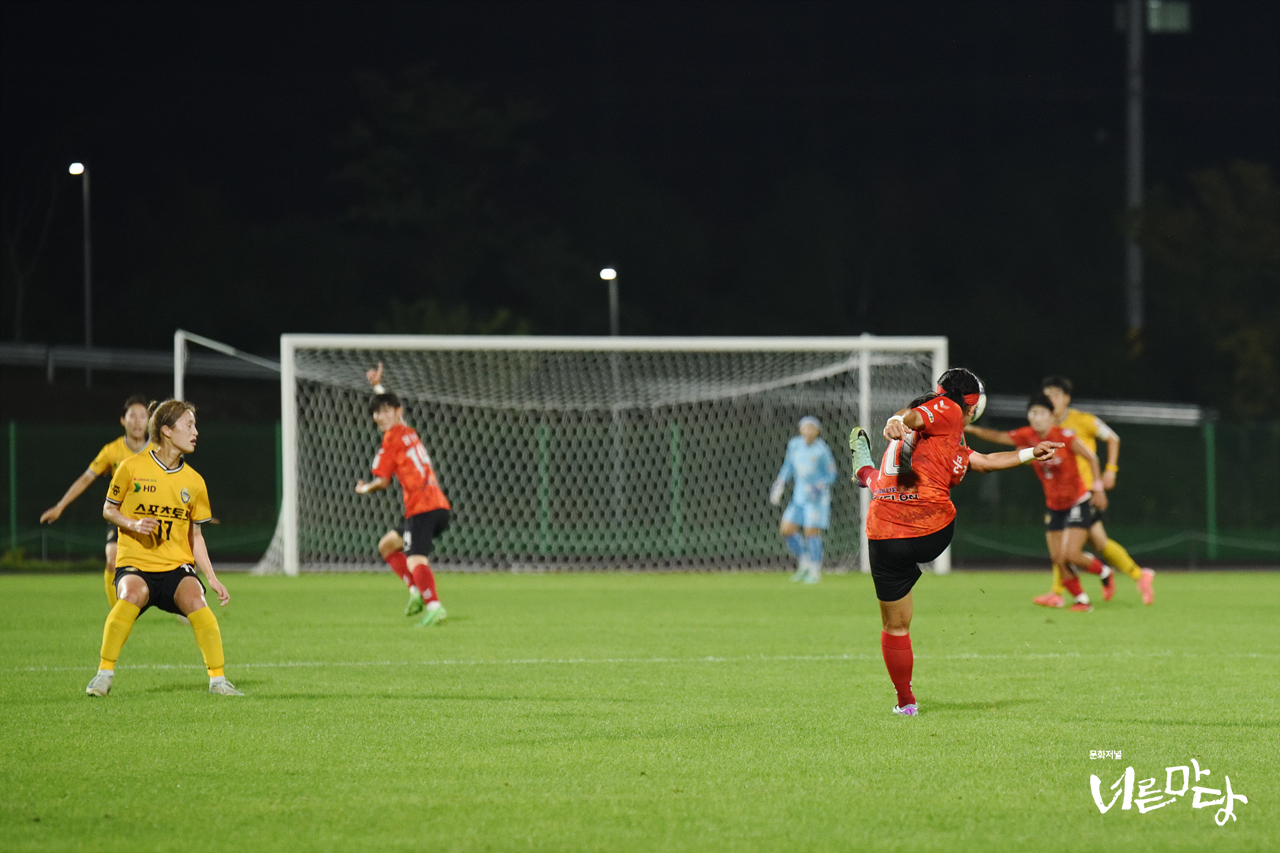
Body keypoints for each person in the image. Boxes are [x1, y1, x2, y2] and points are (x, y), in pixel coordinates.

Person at [847, 368, 1060, 717]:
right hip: (931, 532)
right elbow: (913, 417)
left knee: (895, 627)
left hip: (885, 535)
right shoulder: (948, 408)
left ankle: (906, 702)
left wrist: (1030, 453)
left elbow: (983, 460)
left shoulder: (938, 442)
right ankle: (865, 474)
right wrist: (896, 420)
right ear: (972, 405)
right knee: (898, 620)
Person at [85, 400, 240, 697]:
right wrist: (132, 524)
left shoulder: (194, 482)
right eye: (189, 425)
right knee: (131, 594)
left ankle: (218, 681)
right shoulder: (131, 467)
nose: (195, 432)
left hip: (175, 567)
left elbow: (196, 536)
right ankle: (103, 674)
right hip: (136, 562)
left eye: (195, 426)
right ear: (167, 431)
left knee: (196, 599)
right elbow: (108, 509)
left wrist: (211, 577)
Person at [967, 395, 1114, 612]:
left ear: (1052, 416)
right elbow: (999, 437)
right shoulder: (1027, 436)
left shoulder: (1064, 436)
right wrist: (971, 429)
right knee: (1058, 559)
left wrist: (1098, 488)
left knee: (1072, 554)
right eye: (1033, 413)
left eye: (1041, 413)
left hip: (1077, 501)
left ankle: (1104, 572)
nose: (1036, 417)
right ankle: (1082, 600)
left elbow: (1092, 458)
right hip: (1054, 505)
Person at [1041, 376, 1154, 606]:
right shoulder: (1045, 427)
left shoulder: (1083, 420)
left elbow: (1113, 438)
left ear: (1067, 398)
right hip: (1064, 496)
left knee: (1065, 541)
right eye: (1047, 395)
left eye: (1055, 395)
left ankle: (1058, 591)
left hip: (1084, 494)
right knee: (1099, 543)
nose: (1051, 400)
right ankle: (1139, 575)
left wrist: (1110, 471)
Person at [356, 363, 452, 627]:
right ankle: (415, 591)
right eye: (377, 412)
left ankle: (434, 606)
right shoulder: (408, 431)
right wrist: (377, 386)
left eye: (386, 411)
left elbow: (382, 481)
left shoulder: (391, 439)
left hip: (424, 507)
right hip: (435, 506)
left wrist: (363, 488)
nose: (380, 416)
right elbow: (392, 410)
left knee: (415, 559)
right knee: (387, 545)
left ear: (398, 412)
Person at [41, 394, 150, 607]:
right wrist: (60, 506)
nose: (137, 422)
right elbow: (86, 478)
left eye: (142, 416)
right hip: (120, 517)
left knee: (170, 563)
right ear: (123, 420)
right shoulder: (112, 450)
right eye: (132, 416)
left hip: (151, 515)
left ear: (149, 421)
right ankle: (117, 612)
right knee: (112, 559)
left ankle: (182, 601)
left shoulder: (158, 450)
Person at [770, 416, 838, 583]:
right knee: (786, 529)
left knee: (811, 532)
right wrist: (780, 483)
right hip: (798, 497)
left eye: (811, 428)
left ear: (817, 431)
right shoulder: (794, 445)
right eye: (805, 428)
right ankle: (804, 562)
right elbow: (788, 466)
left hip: (816, 500)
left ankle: (815, 569)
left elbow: (831, 474)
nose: (808, 431)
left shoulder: (822, 450)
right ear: (800, 429)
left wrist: (818, 486)